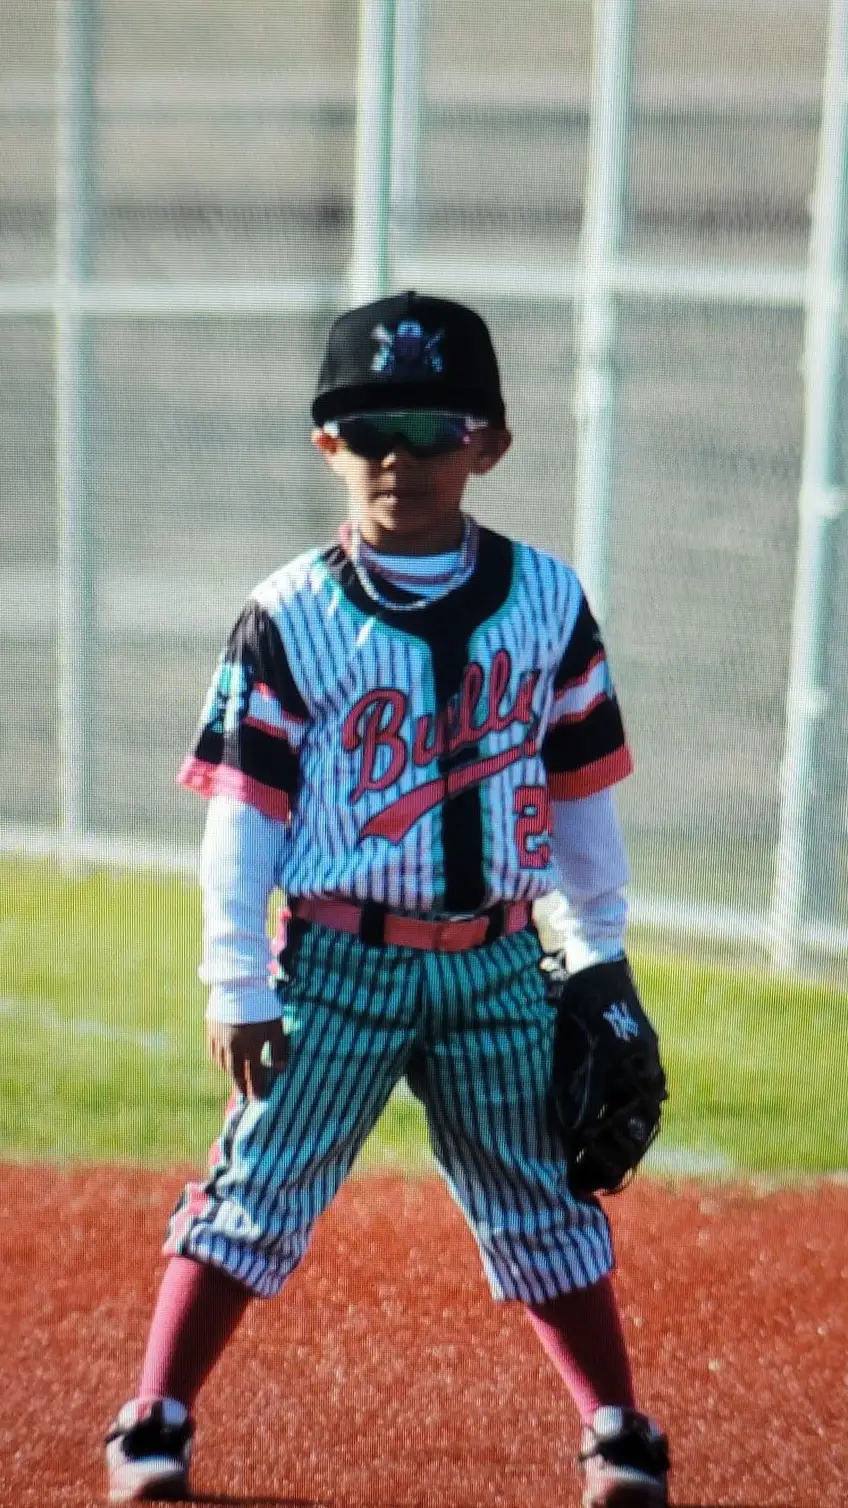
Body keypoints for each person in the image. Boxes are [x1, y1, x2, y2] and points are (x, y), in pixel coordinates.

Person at [105, 291, 670, 1506]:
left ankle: (615, 1425)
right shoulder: (288, 614)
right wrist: (234, 975)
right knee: (258, 1184)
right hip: (336, 961)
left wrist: (600, 954)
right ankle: (156, 1411)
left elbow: (577, 793)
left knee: (539, 1191)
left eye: (429, 427)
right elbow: (243, 814)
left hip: (495, 961)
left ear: (488, 443)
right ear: (328, 444)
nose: (398, 456)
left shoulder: (547, 600)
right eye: (369, 430)